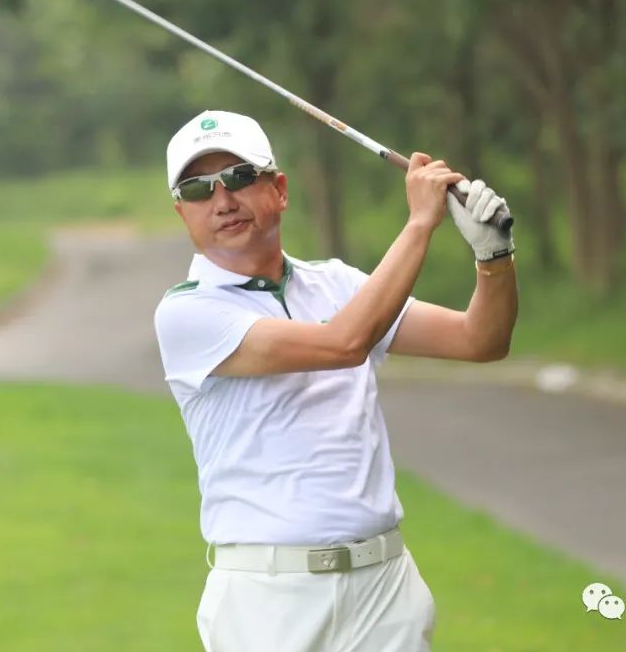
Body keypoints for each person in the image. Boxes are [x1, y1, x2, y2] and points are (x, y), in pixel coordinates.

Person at [153, 110, 518, 652]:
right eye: (198, 189)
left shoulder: (337, 283)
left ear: (279, 190)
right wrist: (419, 223)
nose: (222, 201)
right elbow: (344, 344)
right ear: (182, 211)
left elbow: (480, 340)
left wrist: (493, 256)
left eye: (239, 177)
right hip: (267, 599)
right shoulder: (187, 313)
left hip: (384, 589)